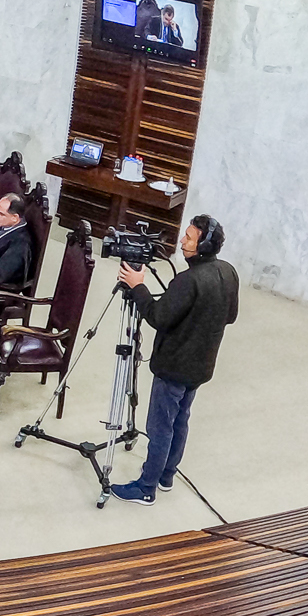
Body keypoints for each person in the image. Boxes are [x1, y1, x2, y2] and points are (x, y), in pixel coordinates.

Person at [109, 215, 239, 505]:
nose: (182, 241)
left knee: (160, 427)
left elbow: (158, 317)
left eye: (189, 238)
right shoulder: (228, 272)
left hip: (174, 367)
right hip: (201, 365)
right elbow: (230, 315)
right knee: (180, 420)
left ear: (203, 245)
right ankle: (167, 474)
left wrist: (137, 286)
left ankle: (146, 487)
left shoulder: (188, 280)